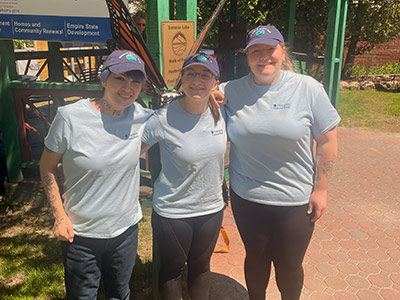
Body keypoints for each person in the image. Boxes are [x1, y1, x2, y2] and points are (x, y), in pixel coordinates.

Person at [219, 25, 340, 300]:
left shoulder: (306, 88)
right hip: (247, 196)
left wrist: (321, 188)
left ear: (282, 52)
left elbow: (327, 141)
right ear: (247, 56)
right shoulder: (231, 91)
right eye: (256, 52)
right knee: (256, 258)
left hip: (294, 201)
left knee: (288, 265)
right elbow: (199, 96)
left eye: (270, 50)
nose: (264, 58)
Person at [40, 49, 152, 300]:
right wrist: (59, 217)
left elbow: (187, 109)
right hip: (80, 233)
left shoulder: (142, 117)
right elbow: (46, 168)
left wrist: (212, 92)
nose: (128, 87)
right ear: (103, 79)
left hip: (125, 231)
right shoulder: (70, 118)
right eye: (120, 78)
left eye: (135, 81)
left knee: (120, 293)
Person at [142, 53, 227, 300]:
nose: (197, 80)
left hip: (211, 208)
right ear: (181, 79)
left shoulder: (223, 113)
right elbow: (130, 149)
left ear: (215, 82)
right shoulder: (162, 119)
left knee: (201, 270)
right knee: (171, 272)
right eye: (191, 74)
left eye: (205, 75)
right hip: (173, 211)